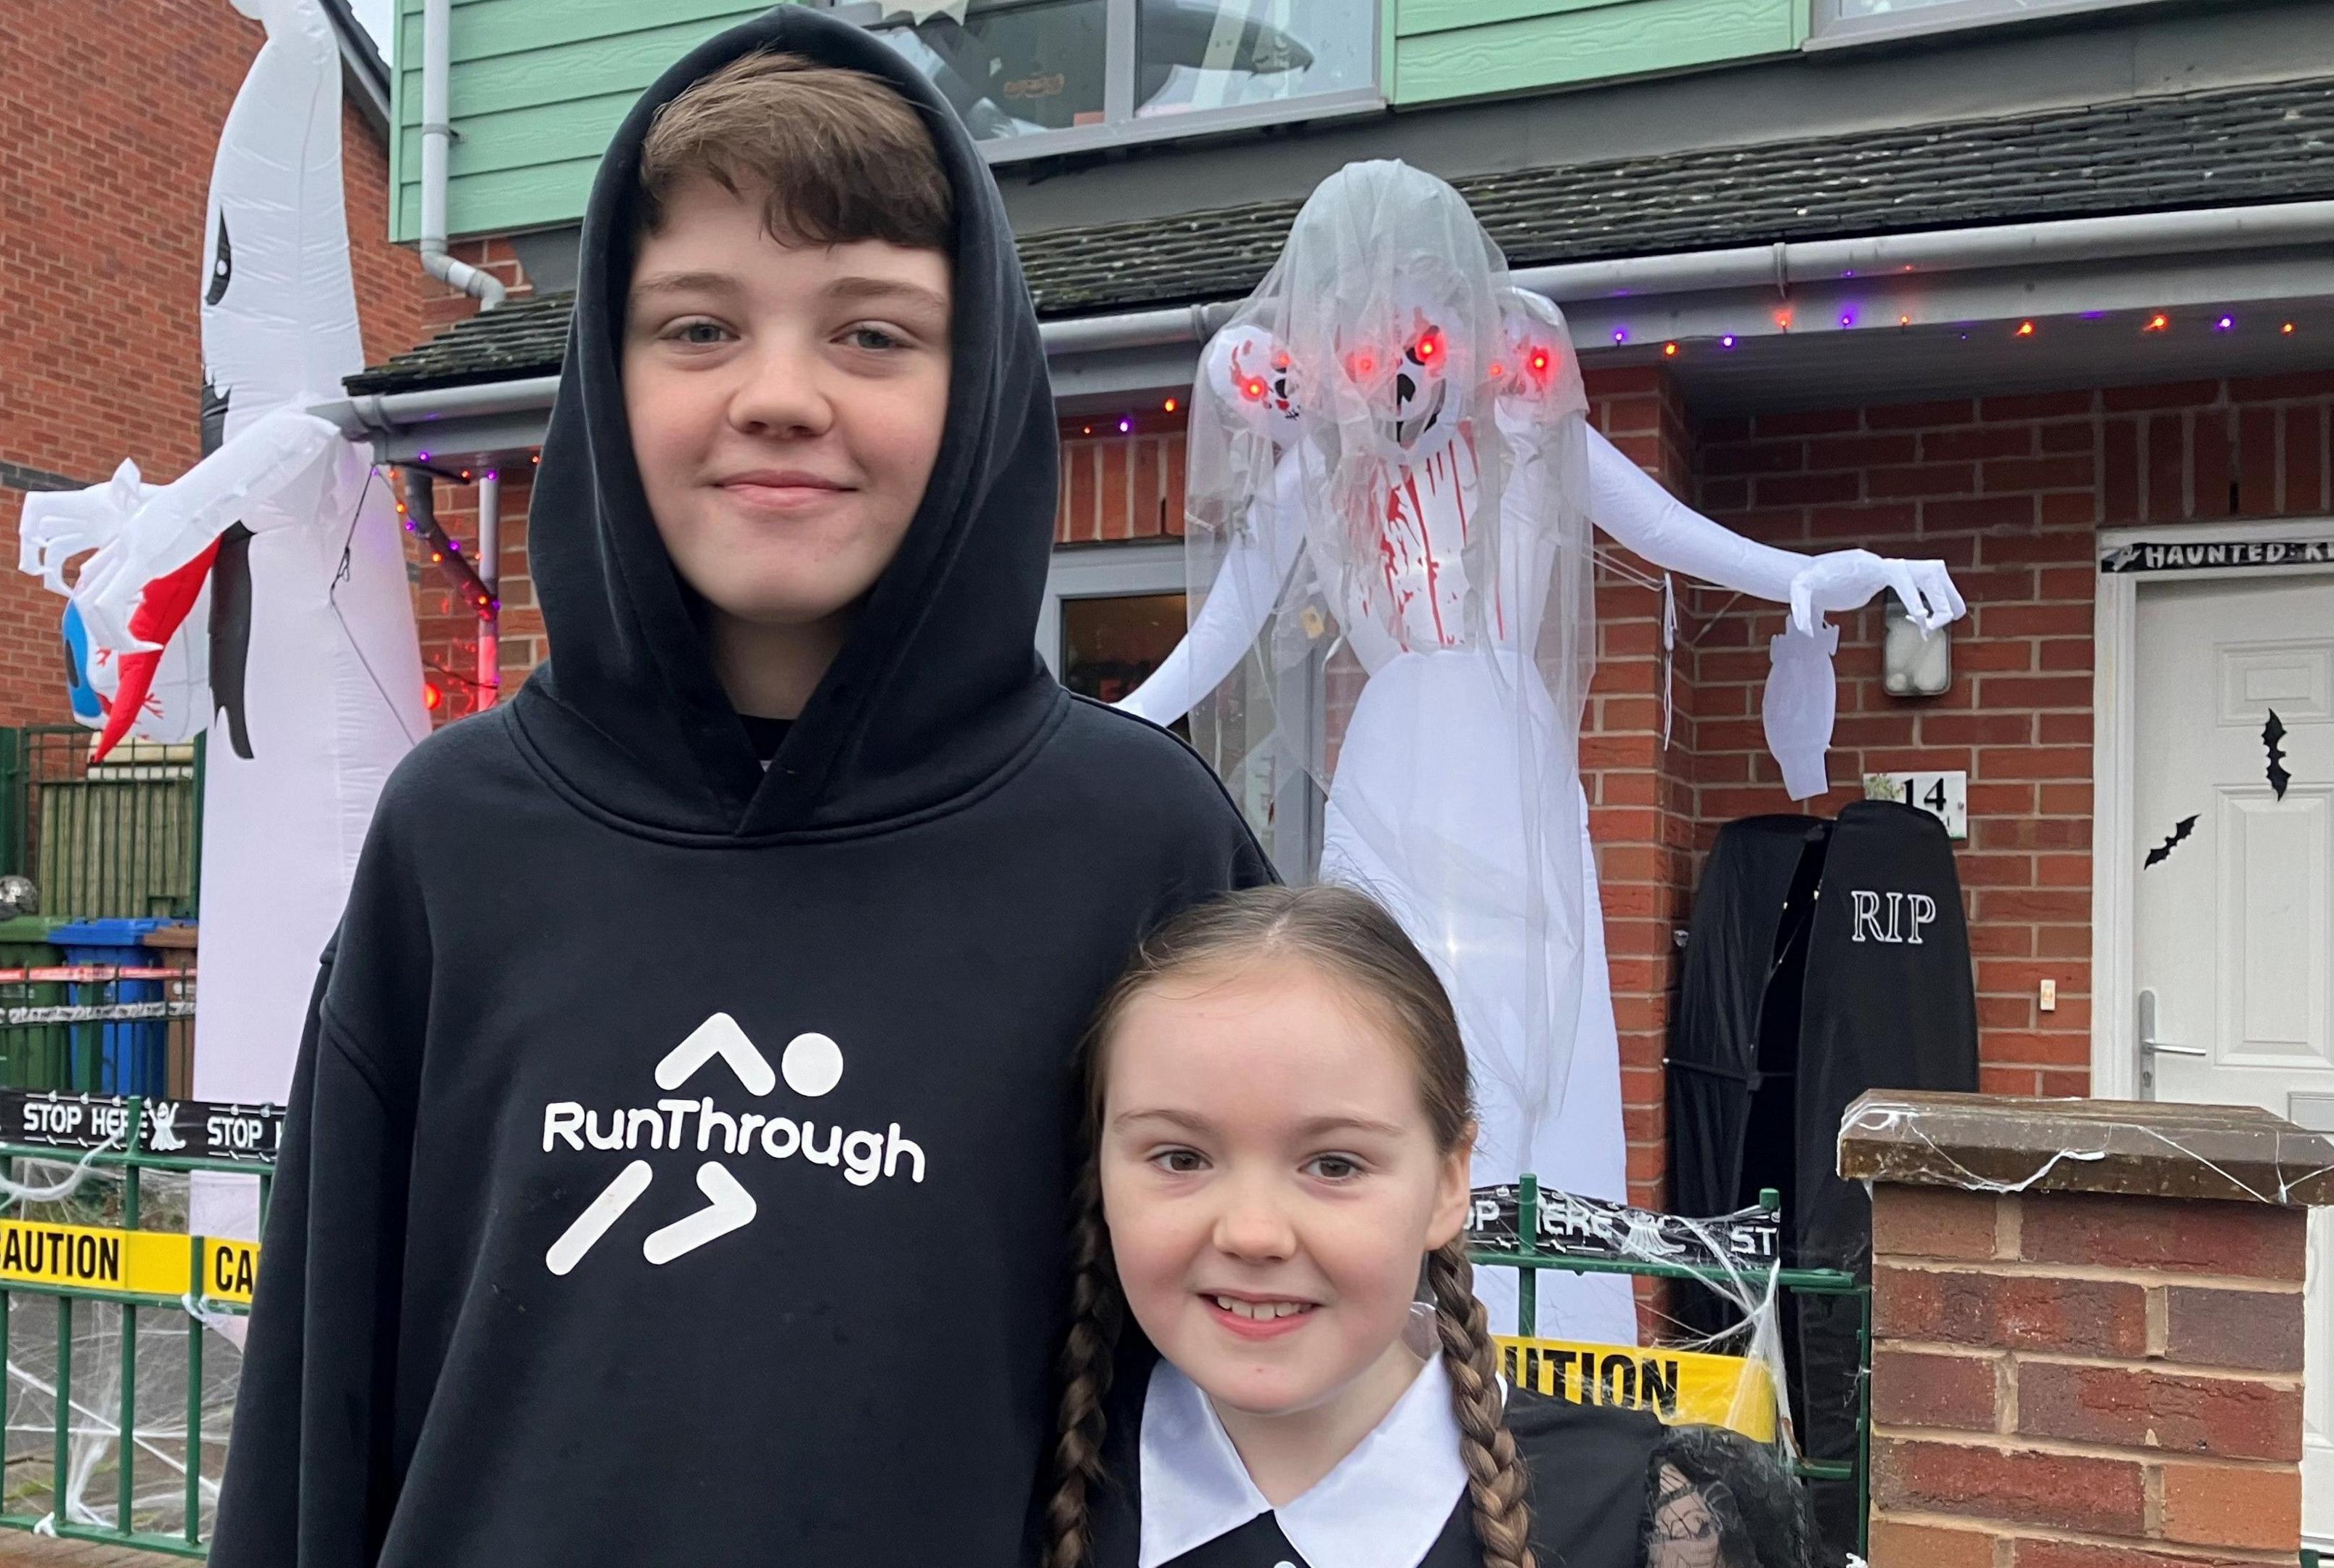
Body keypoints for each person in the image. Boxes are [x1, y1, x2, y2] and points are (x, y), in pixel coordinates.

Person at [209, 11, 1266, 1566]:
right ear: (604, 370)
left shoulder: (1140, 845)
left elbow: (1263, 1390)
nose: (780, 393)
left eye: (874, 332)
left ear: (978, 390)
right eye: (699, 327)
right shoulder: (458, 833)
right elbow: (320, 1391)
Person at [1120, 163, 1961, 1343]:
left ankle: (1534, 1331)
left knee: (1520, 1025)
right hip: (1392, 766)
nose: (1396, 375)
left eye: (1415, 334)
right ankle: (1390, 1315)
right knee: (1383, 1016)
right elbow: (1223, 627)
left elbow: (1666, 529)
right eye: (1363, 343)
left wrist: (1819, 574)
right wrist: (1114, 717)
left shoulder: (1522, 436)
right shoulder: (1319, 469)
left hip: (1501, 768)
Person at [1039, 883, 1815, 1568]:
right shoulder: (1018, 1485)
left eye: (1334, 1164)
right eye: (1180, 1156)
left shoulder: (1653, 1520)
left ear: (1450, 1180)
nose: (1251, 1231)